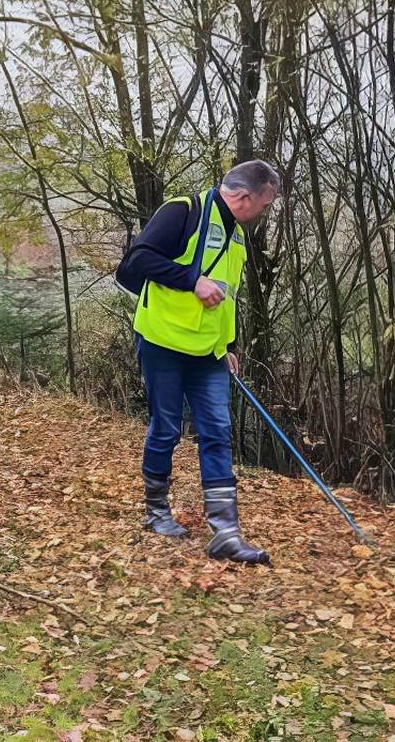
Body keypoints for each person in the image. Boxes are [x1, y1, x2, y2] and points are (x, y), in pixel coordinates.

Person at [115, 159, 281, 564]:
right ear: (243, 198)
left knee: (217, 433)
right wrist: (192, 279)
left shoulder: (237, 238)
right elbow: (138, 260)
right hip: (163, 342)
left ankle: (226, 534)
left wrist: (229, 345)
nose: (264, 213)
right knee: (166, 428)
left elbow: (227, 298)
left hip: (209, 353)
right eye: (264, 205)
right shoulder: (183, 211)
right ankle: (156, 513)